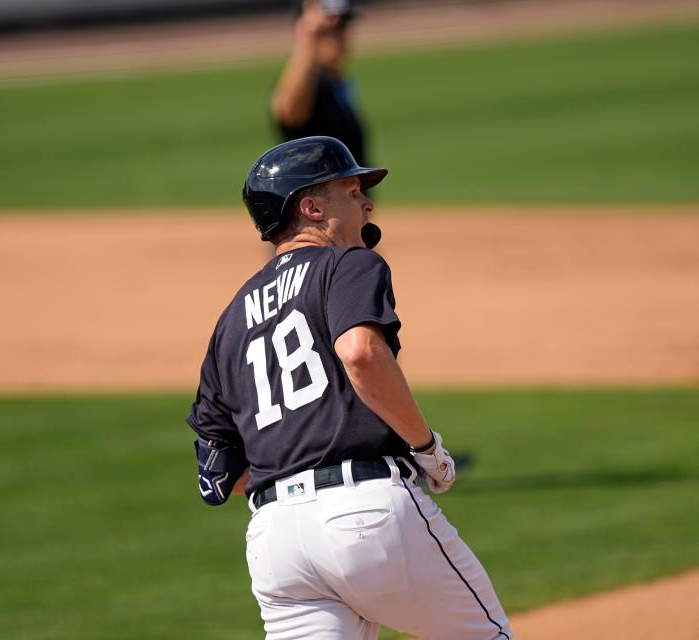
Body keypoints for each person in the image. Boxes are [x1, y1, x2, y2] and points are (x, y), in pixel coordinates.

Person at [187, 136, 512, 640]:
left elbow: (216, 470)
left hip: (276, 542)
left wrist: (293, 481)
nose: (367, 203)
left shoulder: (229, 320)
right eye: (352, 190)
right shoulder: (349, 263)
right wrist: (427, 449)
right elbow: (360, 353)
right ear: (312, 207)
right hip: (367, 515)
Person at [271, 0, 369, 166]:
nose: (337, 36)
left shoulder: (335, 83)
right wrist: (307, 40)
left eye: (342, 25)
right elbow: (288, 113)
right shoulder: (309, 86)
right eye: (327, 30)